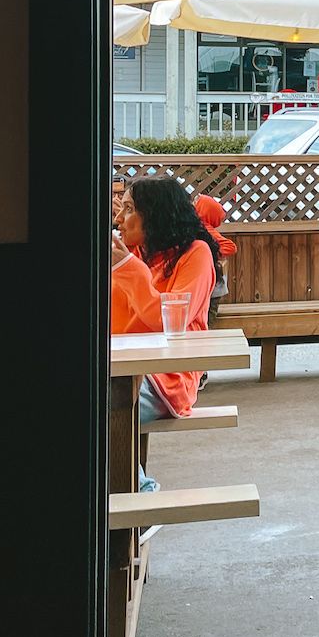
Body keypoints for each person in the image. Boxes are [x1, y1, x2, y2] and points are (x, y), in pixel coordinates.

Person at [111, 177, 220, 490]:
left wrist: (128, 269)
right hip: (119, 368)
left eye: (129, 209)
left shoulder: (195, 254)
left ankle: (142, 493)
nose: (118, 219)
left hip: (167, 378)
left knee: (95, 409)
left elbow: (166, 319)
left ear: (155, 213)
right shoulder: (132, 253)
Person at [194, 193, 237, 326]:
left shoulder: (205, 229)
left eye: (196, 204)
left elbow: (231, 247)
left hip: (213, 289)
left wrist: (208, 252)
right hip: (210, 286)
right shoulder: (200, 227)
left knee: (206, 322)